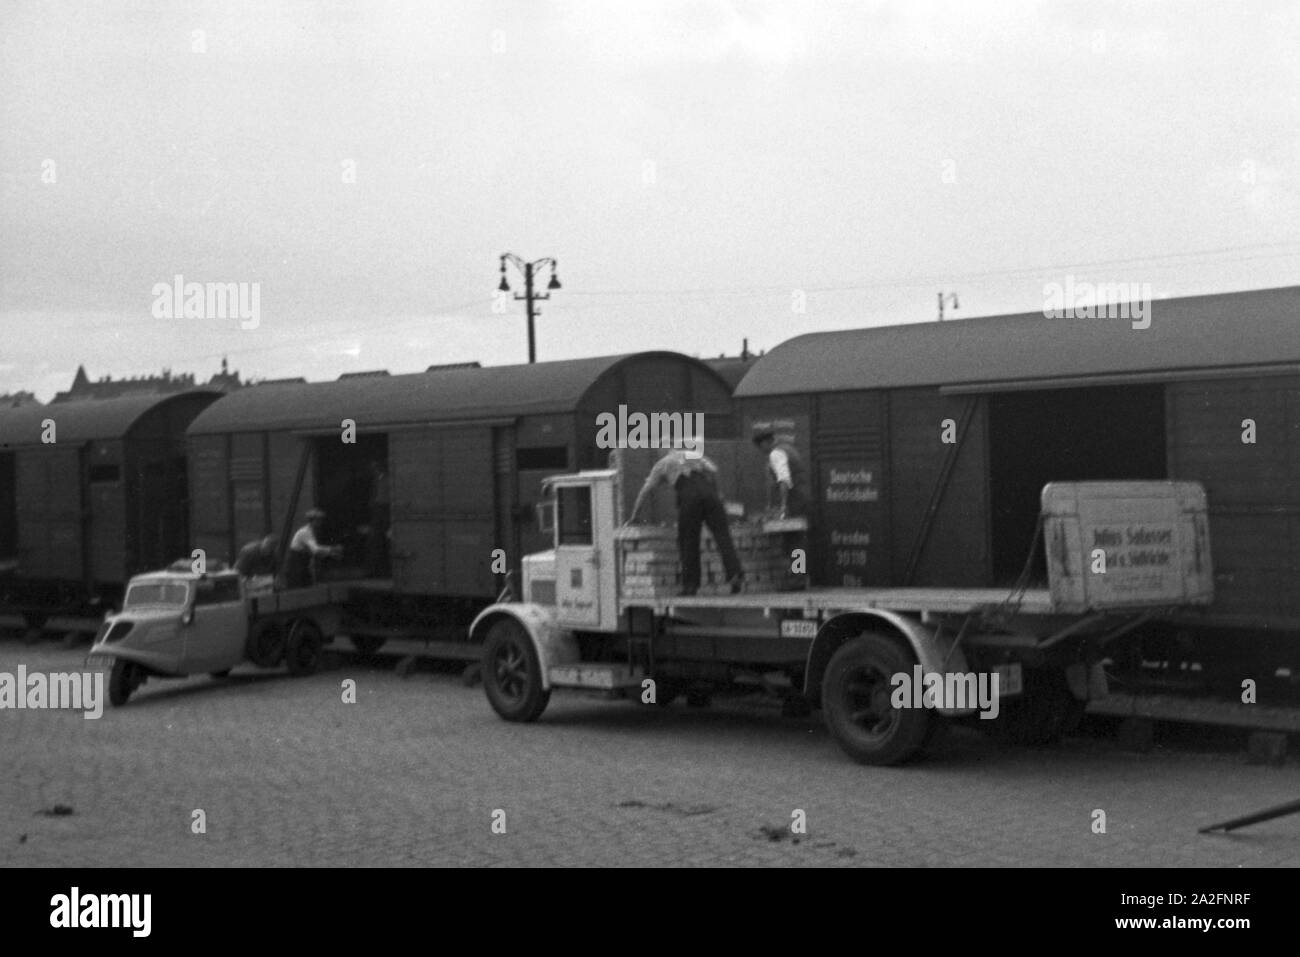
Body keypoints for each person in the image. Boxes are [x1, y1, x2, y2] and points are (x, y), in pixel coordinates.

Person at [627, 448, 744, 597]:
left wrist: (634, 516)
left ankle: (690, 586)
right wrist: (716, 492)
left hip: (690, 499)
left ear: (662, 451)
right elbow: (713, 470)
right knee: (723, 536)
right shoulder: (690, 454)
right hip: (711, 496)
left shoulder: (662, 464)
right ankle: (734, 573)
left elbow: (644, 491)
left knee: (688, 542)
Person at [752, 426, 809, 519]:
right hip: (802, 499)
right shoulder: (787, 448)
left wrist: (783, 507)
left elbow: (784, 480)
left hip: (794, 502)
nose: (761, 450)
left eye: (760, 447)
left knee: (790, 531)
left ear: (764, 443)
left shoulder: (776, 453)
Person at [285, 508, 342, 588]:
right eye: (318, 520)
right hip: (296, 567)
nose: (320, 522)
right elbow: (315, 550)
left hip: (303, 566)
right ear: (312, 521)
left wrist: (331, 554)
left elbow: (313, 552)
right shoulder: (305, 532)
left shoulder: (311, 532)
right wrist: (333, 549)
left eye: (320, 520)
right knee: (300, 588)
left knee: (307, 585)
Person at [366, 460, 391, 577]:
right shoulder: (376, 480)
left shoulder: (387, 479)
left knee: (383, 540)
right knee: (376, 540)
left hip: (383, 508)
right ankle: (375, 570)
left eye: (374, 468)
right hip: (378, 509)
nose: (372, 470)